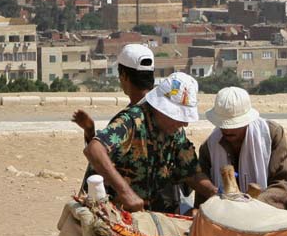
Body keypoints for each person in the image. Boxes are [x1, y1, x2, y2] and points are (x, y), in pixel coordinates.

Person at [83, 72, 216, 214]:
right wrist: (126, 193)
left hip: (153, 210)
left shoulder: (176, 132)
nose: (185, 123)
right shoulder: (131, 121)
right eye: (179, 116)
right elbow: (94, 149)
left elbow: (192, 173)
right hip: (112, 209)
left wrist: (216, 194)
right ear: (161, 110)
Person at [198, 86, 287, 211]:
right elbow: (203, 194)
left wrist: (252, 204)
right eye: (223, 124)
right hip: (227, 216)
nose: (227, 129)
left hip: (270, 213)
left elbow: (282, 183)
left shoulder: (272, 134)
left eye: (234, 124)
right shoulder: (209, 146)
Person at [75, 43, 155, 194]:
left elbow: (96, 152)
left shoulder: (129, 118)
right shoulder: (165, 112)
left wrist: (126, 195)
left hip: (130, 209)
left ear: (124, 76)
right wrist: (90, 132)